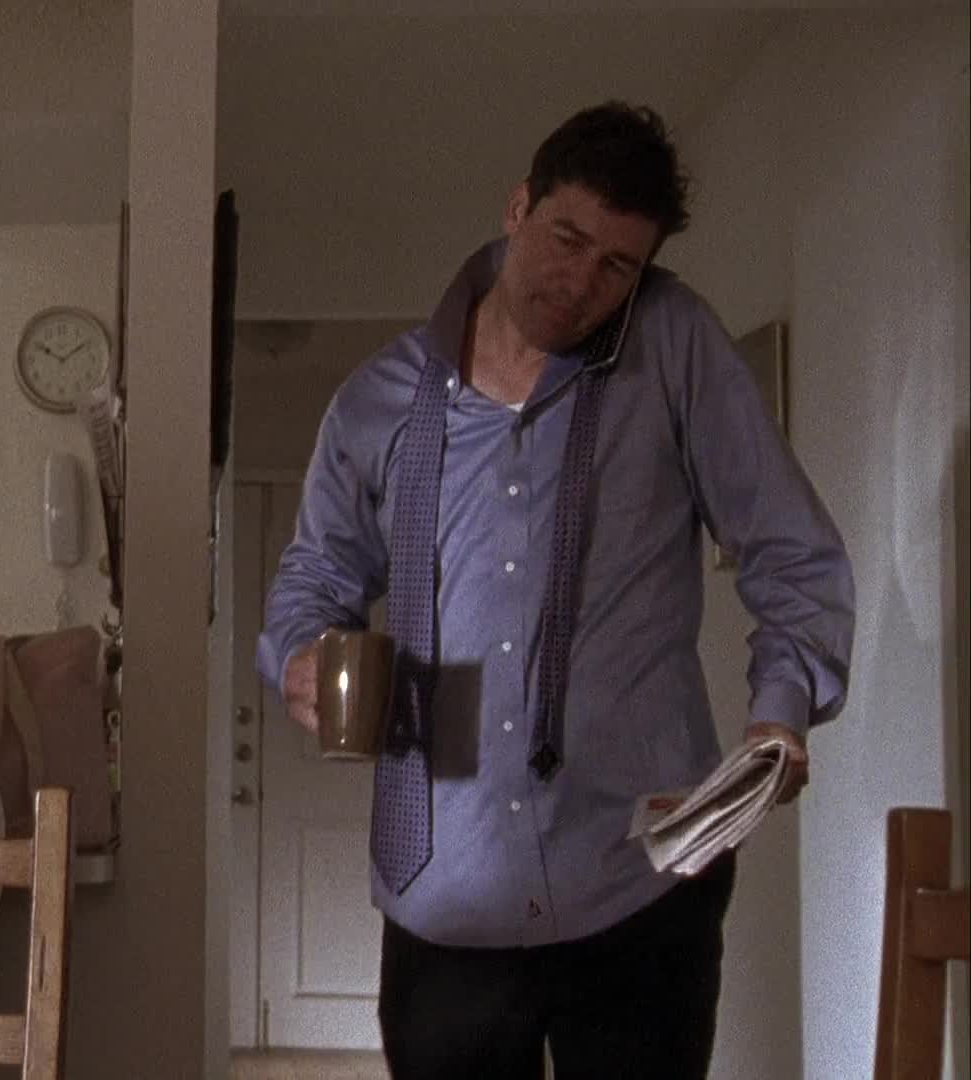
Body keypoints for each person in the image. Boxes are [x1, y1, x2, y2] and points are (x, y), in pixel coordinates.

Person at [258, 101, 853, 1080]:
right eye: (567, 240)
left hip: (640, 889)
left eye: (617, 265)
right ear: (518, 208)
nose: (580, 284)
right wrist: (300, 655)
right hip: (444, 893)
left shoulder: (674, 345)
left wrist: (780, 713)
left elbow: (794, 553)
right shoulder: (379, 399)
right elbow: (314, 582)